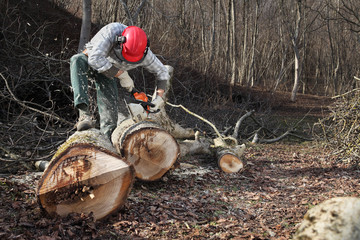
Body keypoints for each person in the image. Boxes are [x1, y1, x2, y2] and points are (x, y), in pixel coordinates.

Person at [70, 23, 170, 139]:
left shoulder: (145, 53)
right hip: (92, 62)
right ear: (120, 42)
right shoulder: (110, 33)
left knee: (110, 117)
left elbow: (162, 72)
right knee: (77, 60)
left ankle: (107, 139)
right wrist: (121, 74)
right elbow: (94, 58)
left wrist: (159, 97)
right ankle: (84, 115)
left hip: (109, 74)